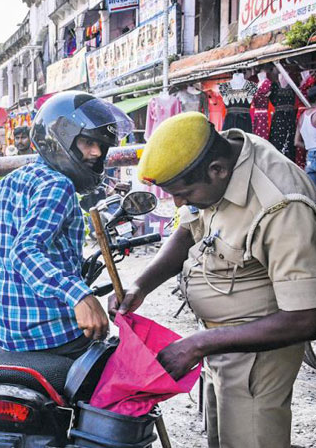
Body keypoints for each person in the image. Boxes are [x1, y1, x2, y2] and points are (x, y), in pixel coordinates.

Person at [111, 112, 316, 448]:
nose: (178, 202)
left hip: (259, 355)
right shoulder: (216, 165)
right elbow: (189, 230)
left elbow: (306, 317)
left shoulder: (281, 205)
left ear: (217, 171)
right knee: (224, 439)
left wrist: (198, 344)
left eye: (183, 193)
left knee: (251, 439)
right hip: (221, 342)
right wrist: (141, 285)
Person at [0, 91, 133, 358]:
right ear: (59, 138)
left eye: (100, 145)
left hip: (7, 340)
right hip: (56, 338)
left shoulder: (9, 181)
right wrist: (79, 296)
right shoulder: (59, 185)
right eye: (88, 142)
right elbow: (25, 250)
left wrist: (3, 289)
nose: (96, 153)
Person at [295, 86, 316, 186]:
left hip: (309, 158)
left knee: (312, 193)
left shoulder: (302, 117)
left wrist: (310, 147)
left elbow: (296, 142)